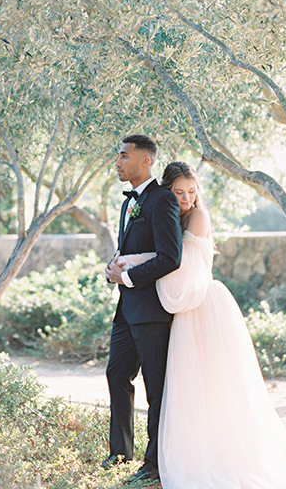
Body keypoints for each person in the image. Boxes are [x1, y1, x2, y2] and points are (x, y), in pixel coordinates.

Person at [117, 161, 286, 488]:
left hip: (202, 306)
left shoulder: (198, 217)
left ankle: (214, 453)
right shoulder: (171, 214)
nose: (186, 198)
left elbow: (177, 262)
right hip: (181, 304)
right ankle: (180, 449)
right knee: (185, 384)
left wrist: (132, 262)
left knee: (211, 384)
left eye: (191, 191)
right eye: (178, 192)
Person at [101, 135, 183, 484]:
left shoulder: (162, 200)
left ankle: (154, 463)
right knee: (116, 374)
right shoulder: (128, 203)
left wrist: (130, 278)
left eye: (124, 156)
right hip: (126, 310)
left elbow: (170, 257)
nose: (118, 162)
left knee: (156, 387)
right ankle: (120, 452)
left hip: (152, 311)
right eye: (118, 156)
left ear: (145, 161)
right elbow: (130, 249)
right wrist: (113, 269)